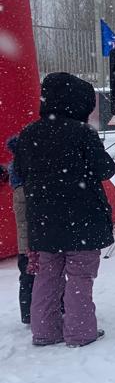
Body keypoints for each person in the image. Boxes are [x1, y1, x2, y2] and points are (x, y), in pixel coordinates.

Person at [13, 72, 115, 347]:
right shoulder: (83, 133)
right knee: (80, 276)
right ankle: (79, 332)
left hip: (44, 220)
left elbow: (20, 172)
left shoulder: (29, 133)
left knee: (47, 275)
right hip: (83, 219)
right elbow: (106, 169)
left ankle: (45, 331)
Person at [4, 136, 35, 324]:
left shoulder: (16, 171)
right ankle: (33, 309)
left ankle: (27, 310)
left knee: (26, 273)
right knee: (34, 272)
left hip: (25, 243)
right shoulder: (29, 180)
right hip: (36, 240)